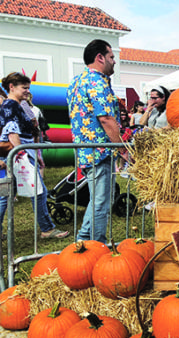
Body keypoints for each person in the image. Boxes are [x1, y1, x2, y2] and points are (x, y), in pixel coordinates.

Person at [0, 72, 69, 240]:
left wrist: (34, 153)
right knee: (38, 191)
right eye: (24, 88)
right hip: (19, 153)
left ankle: (47, 228)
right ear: (12, 87)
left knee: (6, 193)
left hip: (21, 152)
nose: (27, 91)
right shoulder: (11, 105)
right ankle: (47, 228)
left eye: (28, 88)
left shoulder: (18, 105)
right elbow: (11, 131)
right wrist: (21, 154)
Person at [67, 39, 122, 243]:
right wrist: (122, 148)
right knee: (101, 203)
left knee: (97, 200)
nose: (114, 61)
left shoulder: (76, 82)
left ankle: (82, 241)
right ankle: (95, 246)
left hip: (85, 151)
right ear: (100, 57)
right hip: (100, 151)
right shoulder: (97, 82)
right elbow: (106, 118)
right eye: (111, 57)